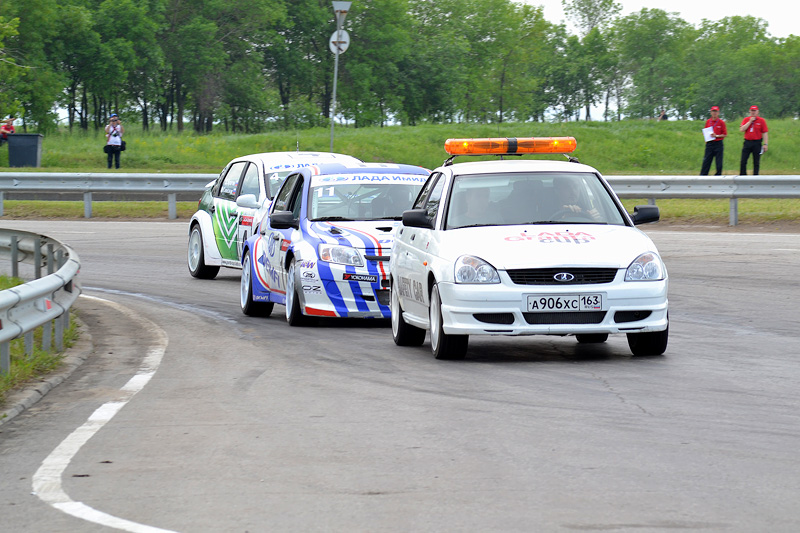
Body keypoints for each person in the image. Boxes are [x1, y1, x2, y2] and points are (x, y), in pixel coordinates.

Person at [739, 105, 768, 175]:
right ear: (749, 111)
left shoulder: (761, 121)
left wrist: (765, 144)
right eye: (752, 111)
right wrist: (749, 121)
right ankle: (743, 175)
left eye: (754, 111)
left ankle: (755, 176)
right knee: (743, 160)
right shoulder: (746, 119)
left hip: (757, 142)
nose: (753, 112)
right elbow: (742, 129)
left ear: (757, 112)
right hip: (747, 142)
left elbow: (765, 132)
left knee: (756, 161)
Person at [700, 106, 727, 176]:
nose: (714, 113)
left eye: (716, 111)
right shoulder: (708, 121)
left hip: (718, 143)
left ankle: (718, 175)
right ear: (711, 113)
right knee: (706, 160)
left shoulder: (721, 122)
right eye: (713, 111)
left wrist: (717, 136)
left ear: (718, 113)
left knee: (719, 161)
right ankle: (703, 175)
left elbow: (724, 134)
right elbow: (705, 131)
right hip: (710, 143)